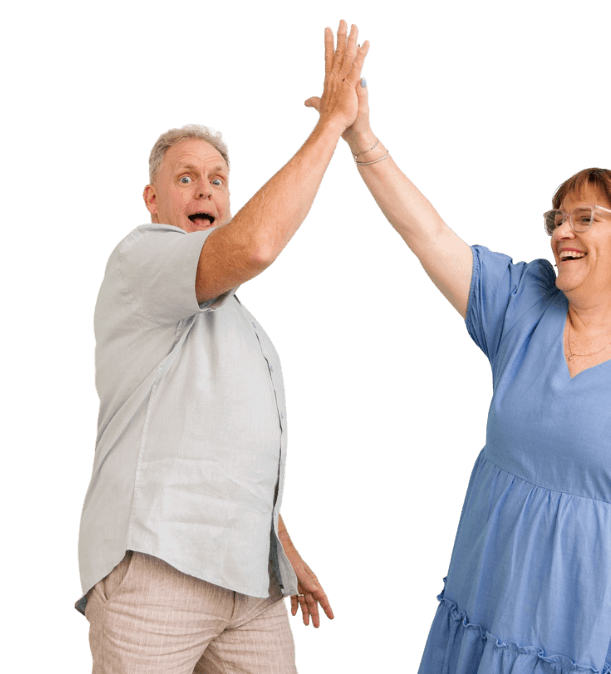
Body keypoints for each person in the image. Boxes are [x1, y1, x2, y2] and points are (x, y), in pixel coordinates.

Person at [304, 82, 611, 673]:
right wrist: (361, 138)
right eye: (557, 218)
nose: (561, 232)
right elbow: (425, 234)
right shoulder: (522, 305)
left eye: (585, 218)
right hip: (493, 608)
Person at [77, 20, 369, 674]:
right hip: (157, 570)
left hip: (250, 583)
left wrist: (283, 551)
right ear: (152, 198)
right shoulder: (140, 257)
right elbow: (258, 245)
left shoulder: (246, 328)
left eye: (217, 177)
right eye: (185, 178)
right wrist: (331, 128)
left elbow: (234, 450)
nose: (206, 188)